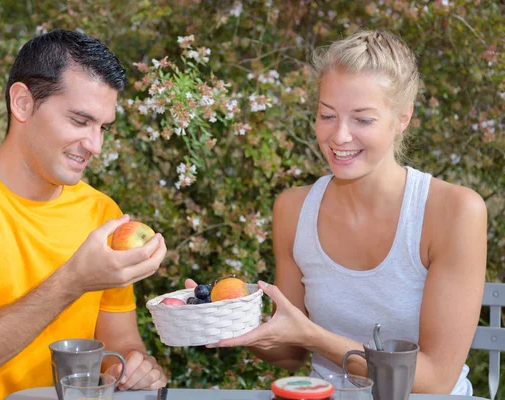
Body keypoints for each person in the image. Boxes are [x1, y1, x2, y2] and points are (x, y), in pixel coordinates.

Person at [188, 30, 487, 395]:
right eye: (327, 115)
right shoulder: (293, 209)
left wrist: (313, 336)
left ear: (402, 118)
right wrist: (226, 321)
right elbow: (291, 354)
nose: (339, 136)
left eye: (362, 120)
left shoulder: (454, 211)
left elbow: (435, 379)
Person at [0, 29, 168, 399]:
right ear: (23, 103)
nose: (96, 145)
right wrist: (74, 280)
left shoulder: (103, 215)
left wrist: (134, 368)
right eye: (80, 121)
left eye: (103, 127)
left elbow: (120, 346)